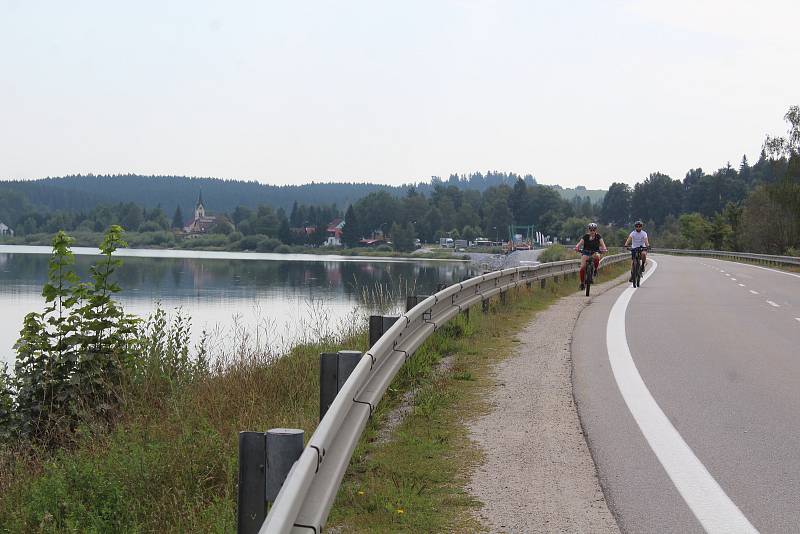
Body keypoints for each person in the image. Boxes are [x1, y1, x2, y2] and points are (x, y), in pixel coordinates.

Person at [574, 223, 607, 290]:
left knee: (597, 256)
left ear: (596, 230)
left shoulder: (598, 237)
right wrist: (577, 247)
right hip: (586, 252)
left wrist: (604, 249)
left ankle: (595, 269)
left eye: (593, 230)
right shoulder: (586, 236)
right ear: (589, 230)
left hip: (595, 252)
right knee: (582, 267)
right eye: (591, 230)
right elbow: (579, 243)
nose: (592, 231)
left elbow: (603, 245)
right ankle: (582, 283)